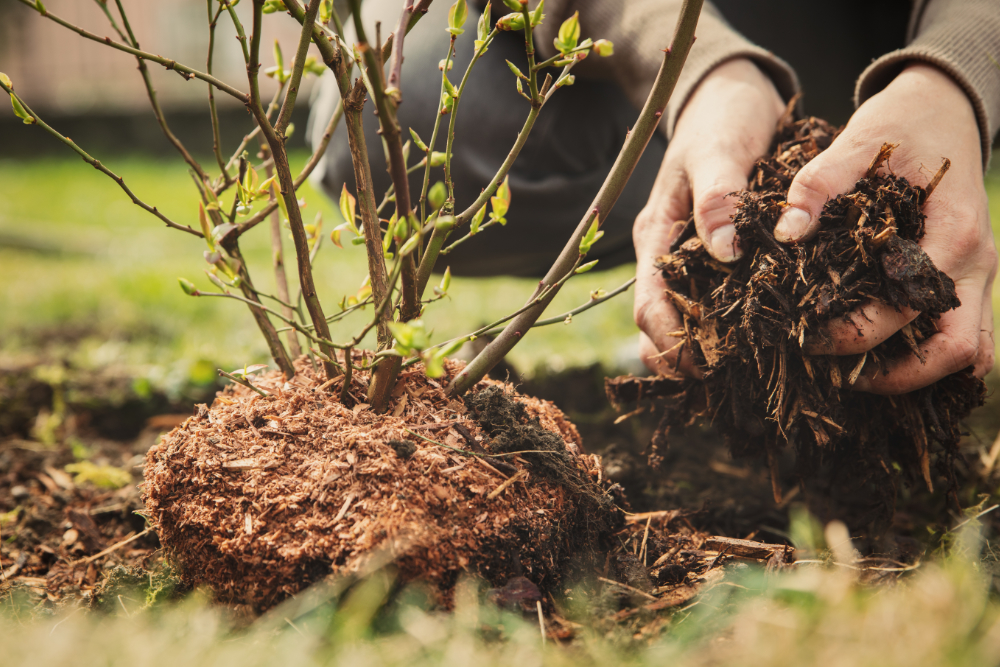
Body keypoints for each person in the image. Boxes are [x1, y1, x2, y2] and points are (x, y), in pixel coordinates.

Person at [308, 0, 999, 394]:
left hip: (922, 22)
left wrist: (960, 75)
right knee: (378, 118)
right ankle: (720, 183)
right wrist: (700, 70)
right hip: (692, 23)